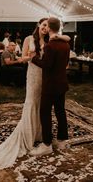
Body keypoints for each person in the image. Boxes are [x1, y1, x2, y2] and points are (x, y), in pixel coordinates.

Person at [0, 18, 69, 169]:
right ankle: (34, 134)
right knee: (36, 104)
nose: (44, 28)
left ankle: (44, 139)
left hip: (47, 77)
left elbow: (53, 53)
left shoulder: (52, 41)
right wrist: (29, 58)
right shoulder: (29, 39)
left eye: (47, 25)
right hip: (35, 75)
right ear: (39, 25)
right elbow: (23, 58)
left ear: (50, 27)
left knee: (45, 109)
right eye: (43, 25)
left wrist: (35, 58)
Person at [30, 17, 70, 156]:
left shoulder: (50, 46)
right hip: (62, 83)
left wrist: (34, 58)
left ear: (49, 28)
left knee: (45, 113)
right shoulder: (65, 44)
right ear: (59, 28)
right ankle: (62, 140)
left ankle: (47, 144)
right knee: (60, 112)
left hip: (50, 85)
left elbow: (46, 65)